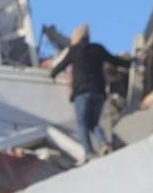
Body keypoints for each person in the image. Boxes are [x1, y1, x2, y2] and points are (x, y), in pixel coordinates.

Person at [49, 23, 130, 157]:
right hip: (99, 91)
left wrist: (52, 74)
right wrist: (130, 63)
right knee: (94, 123)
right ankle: (104, 144)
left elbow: (62, 65)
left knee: (82, 124)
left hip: (82, 92)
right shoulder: (98, 48)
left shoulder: (74, 50)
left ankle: (88, 152)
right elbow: (114, 60)